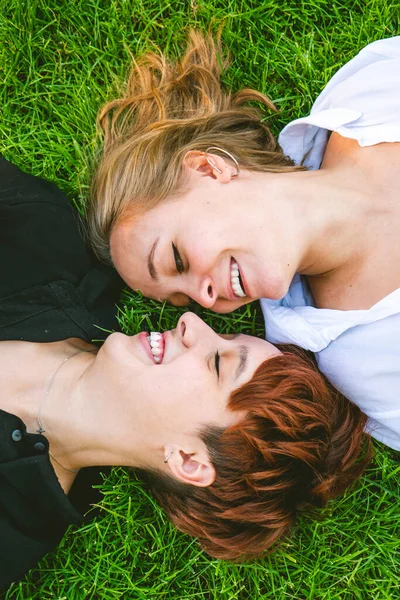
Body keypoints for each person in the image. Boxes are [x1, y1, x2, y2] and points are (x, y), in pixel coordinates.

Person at [0, 158, 370, 591]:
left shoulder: (9, 531)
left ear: (188, 460)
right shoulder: (43, 240)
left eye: (217, 364)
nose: (192, 324)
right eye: (224, 335)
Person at [88, 32, 400, 450]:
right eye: (187, 300)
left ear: (208, 169)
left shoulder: (372, 90)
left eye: (177, 259)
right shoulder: (361, 357)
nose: (206, 296)